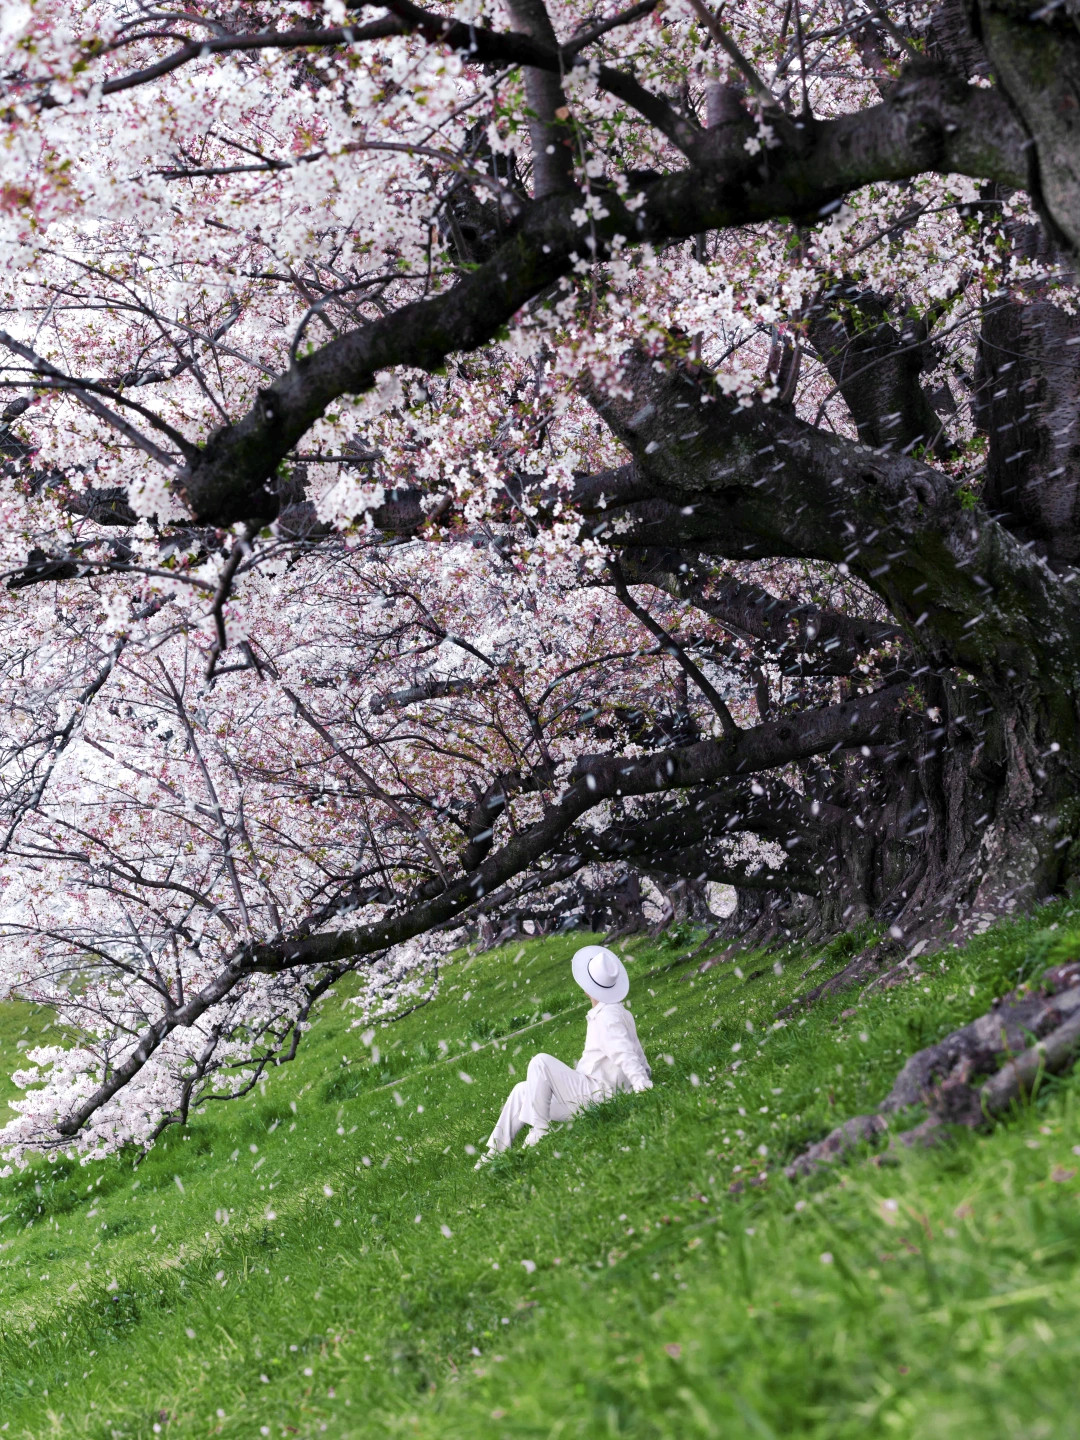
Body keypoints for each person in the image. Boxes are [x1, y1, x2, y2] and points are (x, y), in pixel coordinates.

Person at [475, 945, 652, 1166]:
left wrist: (641, 1083)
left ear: (587, 988)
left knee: (540, 1061)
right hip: (593, 1092)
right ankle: (493, 1154)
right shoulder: (619, 1012)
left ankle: (540, 1130)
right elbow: (636, 1050)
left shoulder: (607, 1017)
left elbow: (624, 1052)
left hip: (598, 1095)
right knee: (523, 1090)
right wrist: (645, 1073)